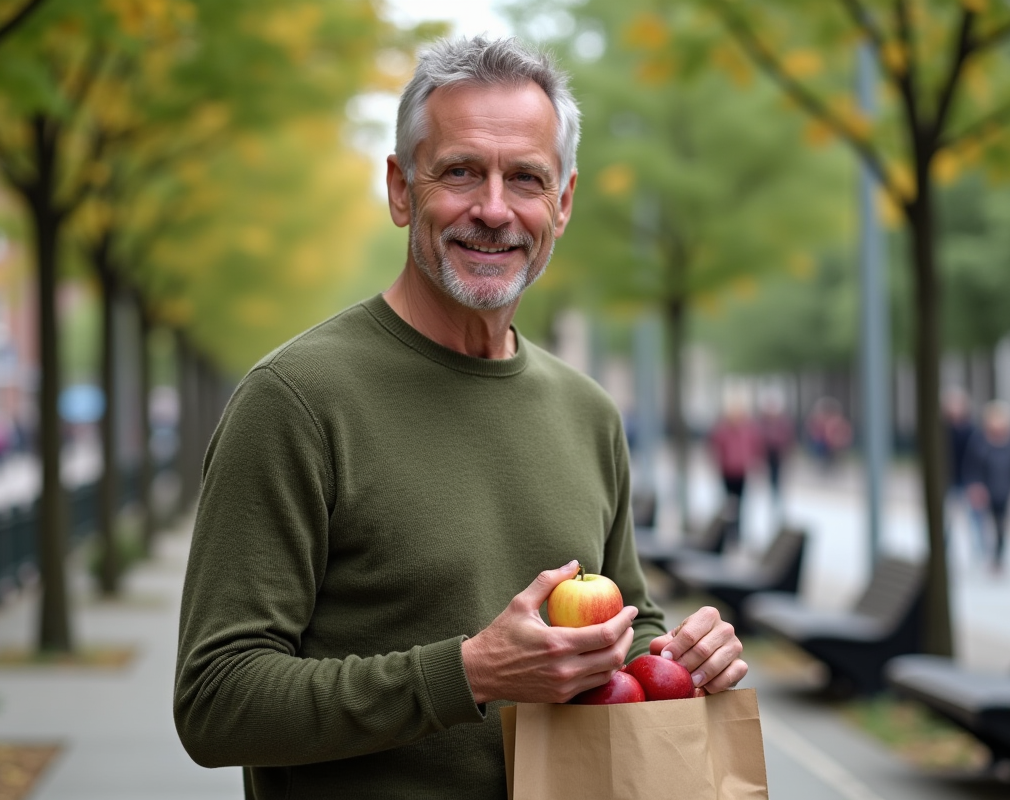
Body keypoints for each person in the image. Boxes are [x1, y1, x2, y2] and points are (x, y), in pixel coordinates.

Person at [174, 36, 746, 800]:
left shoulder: (589, 413)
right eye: (461, 171)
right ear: (402, 189)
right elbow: (216, 702)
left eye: (526, 179)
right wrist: (468, 674)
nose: (494, 209)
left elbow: (627, 626)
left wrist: (678, 655)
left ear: (563, 203)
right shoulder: (295, 401)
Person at [963, 401, 1010, 575]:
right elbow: (972, 465)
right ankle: (983, 553)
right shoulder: (980, 441)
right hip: (984, 490)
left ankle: (998, 558)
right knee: (980, 523)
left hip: (1004, 489)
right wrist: (975, 486)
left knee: (1001, 525)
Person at [707, 393, 762, 549]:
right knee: (728, 503)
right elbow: (715, 446)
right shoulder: (723, 429)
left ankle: (738, 533)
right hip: (727, 471)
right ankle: (729, 532)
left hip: (742, 471)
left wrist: (754, 464)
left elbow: (754, 447)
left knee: (741, 503)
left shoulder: (748, 428)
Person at [941, 387, 984, 559]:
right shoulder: (942, 429)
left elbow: (978, 457)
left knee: (976, 519)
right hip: (949, 480)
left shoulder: (972, 430)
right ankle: (942, 552)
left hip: (968, 480)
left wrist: (977, 482)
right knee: (947, 520)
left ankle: (980, 552)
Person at [757, 390, 795, 519]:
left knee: (778, 483)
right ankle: (773, 505)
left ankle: (779, 507)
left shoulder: (782, 423)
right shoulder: (763, 422)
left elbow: (787, 438)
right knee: (771, 482)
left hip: (778, 456)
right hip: (768, 455)